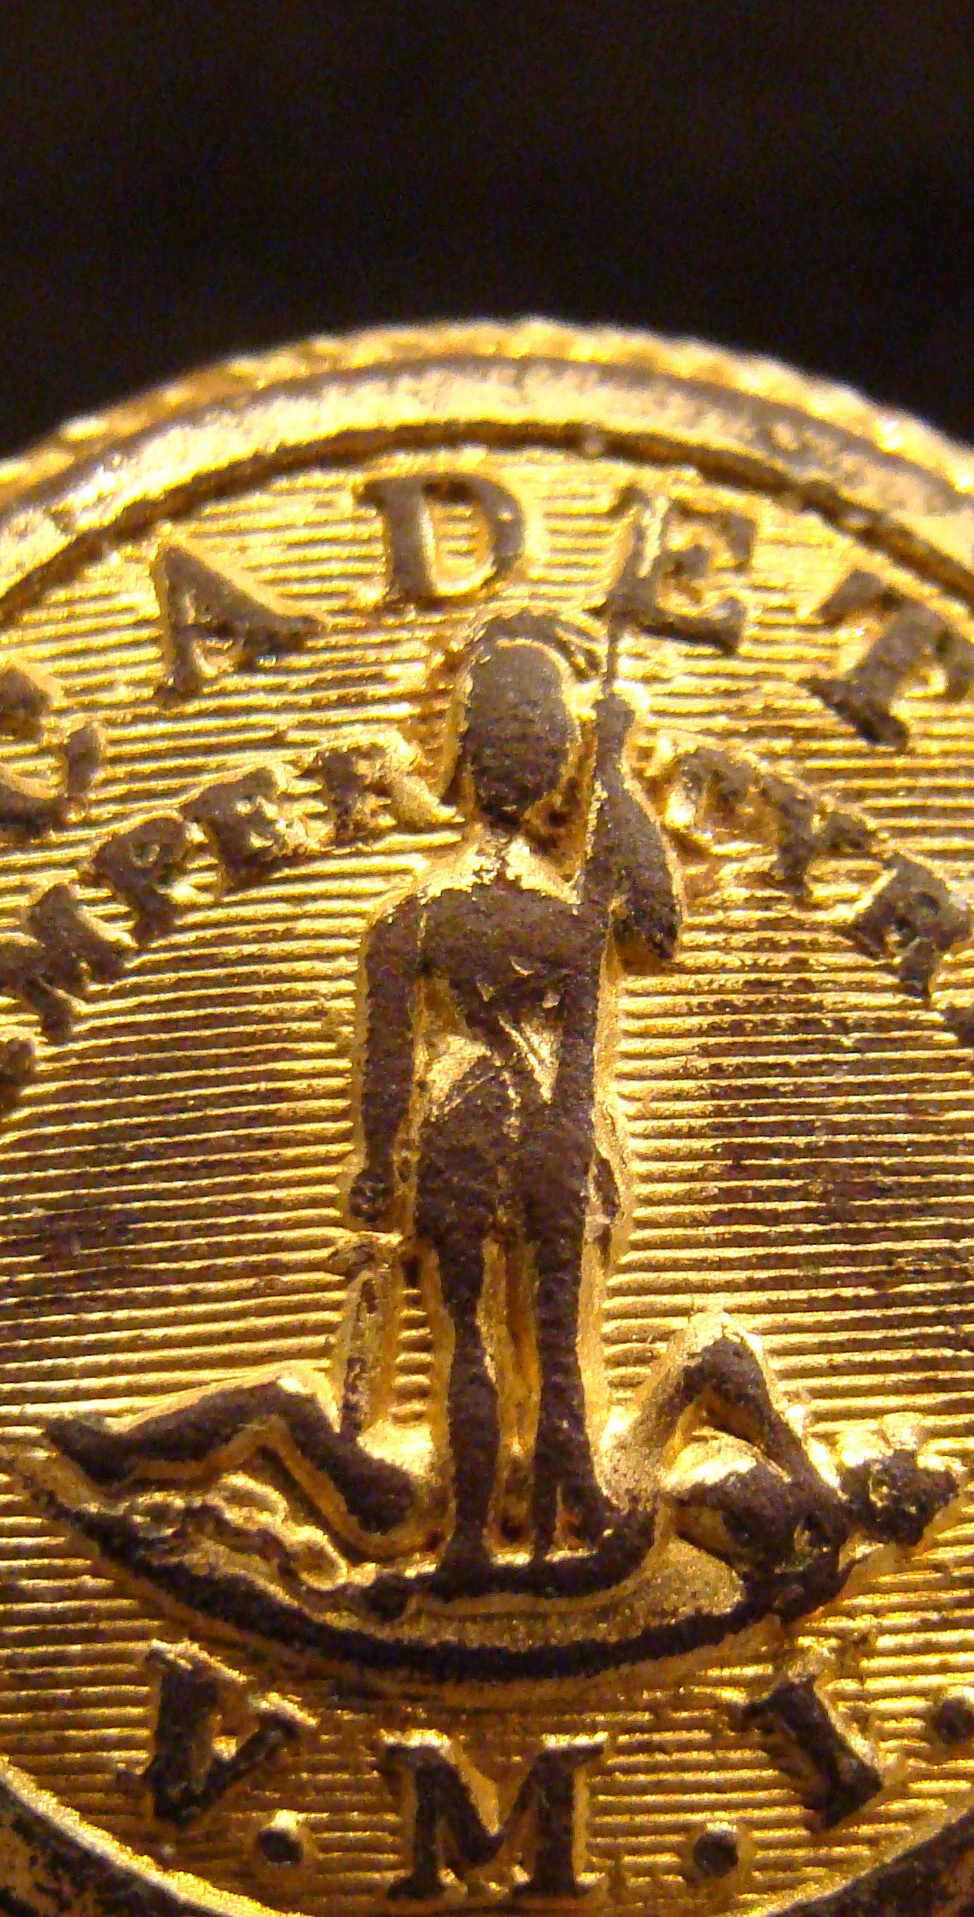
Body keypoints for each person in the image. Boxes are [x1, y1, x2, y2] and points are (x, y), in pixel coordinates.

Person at [346, 616, 680, 1587]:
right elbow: (655, 924)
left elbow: (388, 1065)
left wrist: (378, 1167)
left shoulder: (413, 916)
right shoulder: (574, 913)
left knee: (472, 1336)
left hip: (462, 1122)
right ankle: (564, 1520)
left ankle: (471, 1535)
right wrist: (615, 769)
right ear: (551, 770)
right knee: (558, 1340)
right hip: (554, 1127)